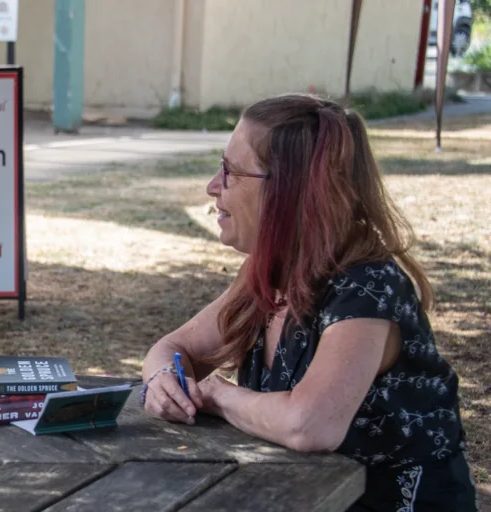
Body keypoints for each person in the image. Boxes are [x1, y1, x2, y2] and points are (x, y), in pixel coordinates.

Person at [140, 93, 478, 511]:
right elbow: (172, 349)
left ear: (289, 191)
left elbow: (310, 425)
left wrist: (216, 396)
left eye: (230, 172)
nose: (213, 186)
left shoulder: (367, 288)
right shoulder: (269, 272)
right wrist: (162, 384)